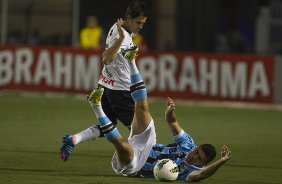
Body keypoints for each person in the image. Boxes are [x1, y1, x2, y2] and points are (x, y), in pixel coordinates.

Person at [62, 42, 232, 181]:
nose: (194, 157)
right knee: (142, 108)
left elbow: (203, 175)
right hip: (148, 144)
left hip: (134, 167)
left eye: (199, 159)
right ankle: (131, 61)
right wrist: (170, 112)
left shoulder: (191, 173)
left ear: (203, 164)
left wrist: (221, 162)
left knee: (123, 145)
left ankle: (96, 105)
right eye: (197, 153)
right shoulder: (188, 144)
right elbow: (172, 122)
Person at [60, 0, 148, 161]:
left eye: (143, 23)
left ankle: (74, 139)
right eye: (138, 22)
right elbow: (106, 59)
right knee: (140, 130)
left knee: (108, 126)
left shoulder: (117, 27)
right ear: (128, 18)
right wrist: (122, 39)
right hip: (119, 91)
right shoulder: (121, 35)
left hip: (106, 84)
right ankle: (141, 162)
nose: (141, 26)